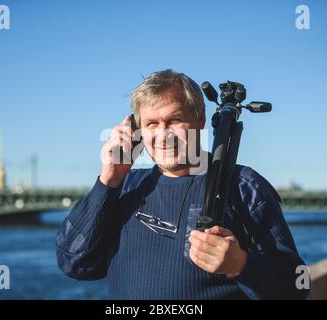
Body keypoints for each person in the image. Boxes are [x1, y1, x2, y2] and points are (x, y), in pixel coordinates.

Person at [55, 69, 310, 299]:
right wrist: (108, 181)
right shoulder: (125, 187)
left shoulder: (244, 187)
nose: (163, 133)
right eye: (152, 123)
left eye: (174, 120)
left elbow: (298, 287)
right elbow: (74, 264)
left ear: (199, 119)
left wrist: (240, 265)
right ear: (137, 131)